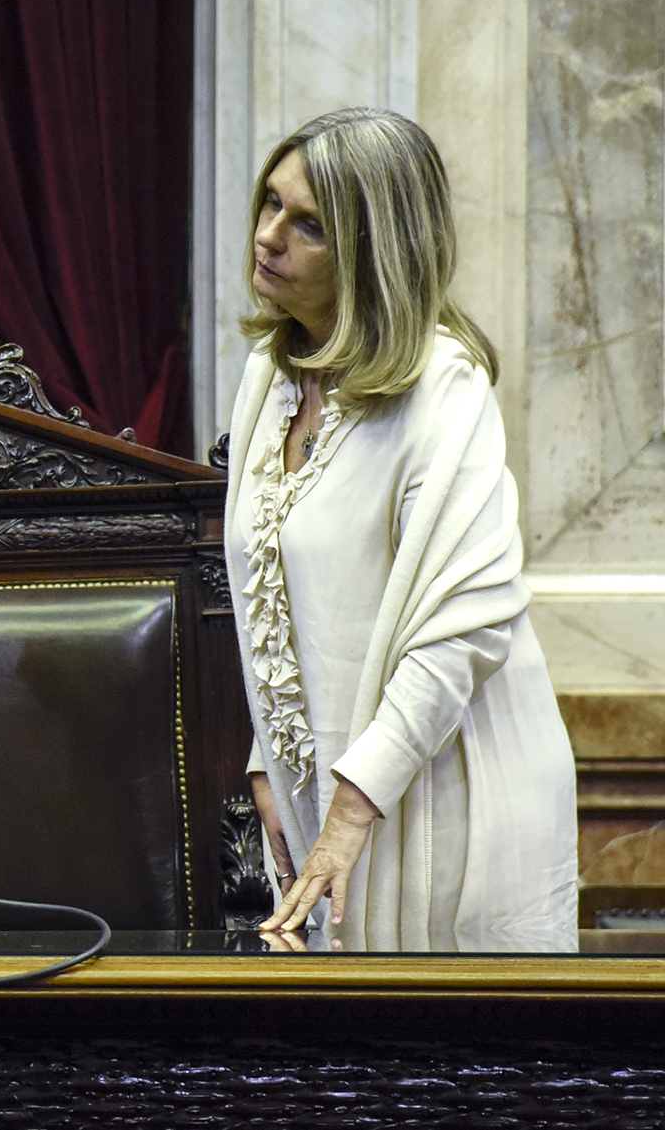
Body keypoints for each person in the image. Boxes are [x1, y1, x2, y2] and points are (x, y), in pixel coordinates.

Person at [227, 107, 576, 953]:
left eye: (308, 224)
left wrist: (351, 809)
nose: (269, 237)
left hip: (451, 800)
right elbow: (276, 594)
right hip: (332, 792)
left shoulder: (444, 389)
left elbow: (465, 627)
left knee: (458, 1077)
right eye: (271, 204)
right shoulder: (268, 377)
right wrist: (263, 761)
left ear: (372, 251)